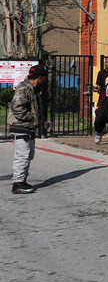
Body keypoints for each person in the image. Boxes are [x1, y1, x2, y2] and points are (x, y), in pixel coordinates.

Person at [9, 64, 48, 194]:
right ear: (40, 77)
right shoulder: (24, 89)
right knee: (22, 155)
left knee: (28, 155)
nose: (46, 80)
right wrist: (32, 118)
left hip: (28, 128)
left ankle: (22, 180)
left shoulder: (33, 89)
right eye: (45, 77)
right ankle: (17, 184)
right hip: (21, 126)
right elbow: (17, 108)